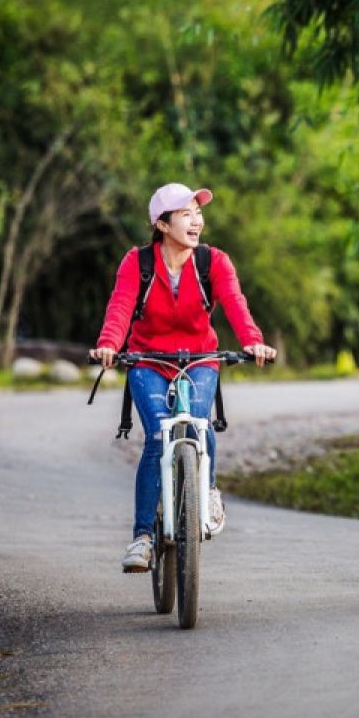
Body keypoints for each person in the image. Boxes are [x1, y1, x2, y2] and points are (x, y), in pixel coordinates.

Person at [90, 183, 276, 573]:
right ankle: (142, 537)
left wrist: (253, 342)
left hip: (200, 359)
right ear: (162, 224)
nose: (197, 221)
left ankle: (205, 492)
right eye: (186, 214)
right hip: (148, 360)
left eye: (198, 213)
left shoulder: (214, 262)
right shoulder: (137, 263)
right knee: (158, 435)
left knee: (200, 425)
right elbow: (121, 305)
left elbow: (236, 305)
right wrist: (109, 344)